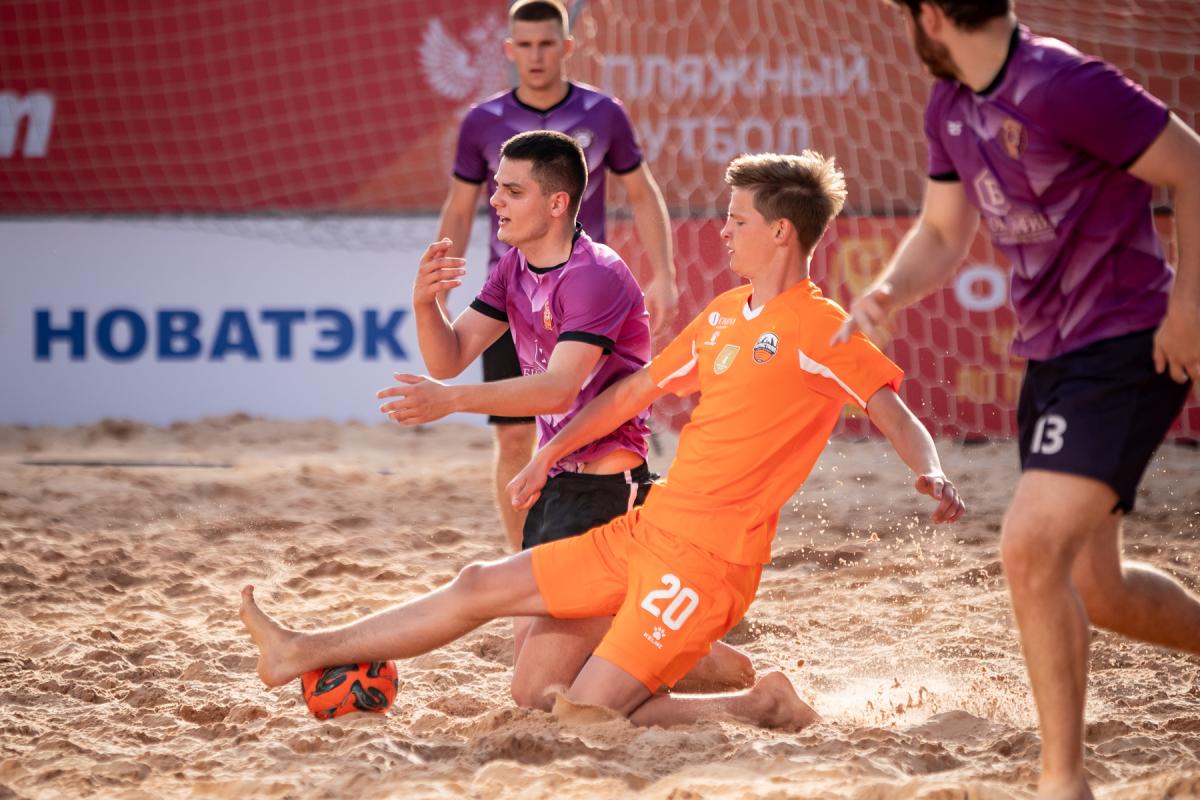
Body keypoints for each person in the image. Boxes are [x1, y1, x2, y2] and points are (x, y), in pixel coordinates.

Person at [242, 150, 966, 730]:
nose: (723, 231)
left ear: (780, 232)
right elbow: (630, 392)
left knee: (581, 714)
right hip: (648, 529)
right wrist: (550, 453)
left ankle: (759, 703)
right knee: (478, 585)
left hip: (709, 565)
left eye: (737, 219)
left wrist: (929, 470)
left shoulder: (822, 326)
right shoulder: (724, 314)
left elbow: (893, 411)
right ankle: (300, 650)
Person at [836, 2, 1200, 797]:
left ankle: (1063, 782)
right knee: (1101, 589)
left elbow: (1193, 165)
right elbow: (942, 233)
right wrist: (889, 291)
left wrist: (1190, 306)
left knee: (1029, 550)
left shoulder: (1062, 81)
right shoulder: (951, 103)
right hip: (1051, 358)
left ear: (932, 15)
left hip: (1127, 342)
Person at [379, 129, 750, 709]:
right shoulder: (513, 267)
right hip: (554, 486)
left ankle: (718, 667)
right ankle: (664, 638)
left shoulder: (594, 274)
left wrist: (450, 401)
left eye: (512, 191)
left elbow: (557, 390)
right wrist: (425, 304)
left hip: (605, 491)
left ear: (557, 203)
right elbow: (448, 358)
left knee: (538, 692)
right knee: (544, 681)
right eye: (497, 188)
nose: (495, 201)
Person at [437, 0, 678, 553]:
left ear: (567, 47)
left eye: (547, 43)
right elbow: (459, 205)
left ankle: (615, 541)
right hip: (514, 296)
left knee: (595, 431)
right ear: (508, 51)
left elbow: (643, 194)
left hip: (578, 297)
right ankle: (522, 558)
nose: (536, 55)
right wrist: (442, 277)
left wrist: (664, 273)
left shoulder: (604, 113)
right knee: (513, 435)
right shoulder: (482, 121)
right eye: (525, 45)